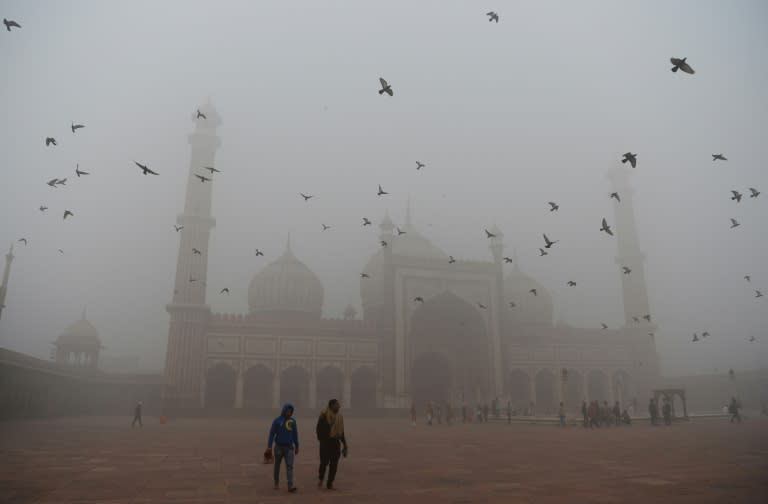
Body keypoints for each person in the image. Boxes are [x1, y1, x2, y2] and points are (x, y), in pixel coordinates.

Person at [316, 399, 348, 490]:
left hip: (335, 443)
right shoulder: (324, 416)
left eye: (338, 404)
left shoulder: (340, 417)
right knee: (323, 463)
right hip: (325, 443)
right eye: (337, 405)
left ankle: (330, 483)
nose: (339, 406)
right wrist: (322, 440)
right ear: (331, 406)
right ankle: (321, 477)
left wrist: (345, 444)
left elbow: (341, 432)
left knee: (334, 464)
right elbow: (318, 430)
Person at [267, 403, 299, 492]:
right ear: (284, 410)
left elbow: (295, 434)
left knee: (289, 466)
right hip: (278, 447)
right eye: (288, 410)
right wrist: (269, 446)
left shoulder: (293, 421)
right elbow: (272, 434)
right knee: (277, 466)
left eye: (291, 411)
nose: (289, 412)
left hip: (289, 448)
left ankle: (290, 486)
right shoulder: (277, 421)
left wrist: (297, 446)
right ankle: (276, 482)